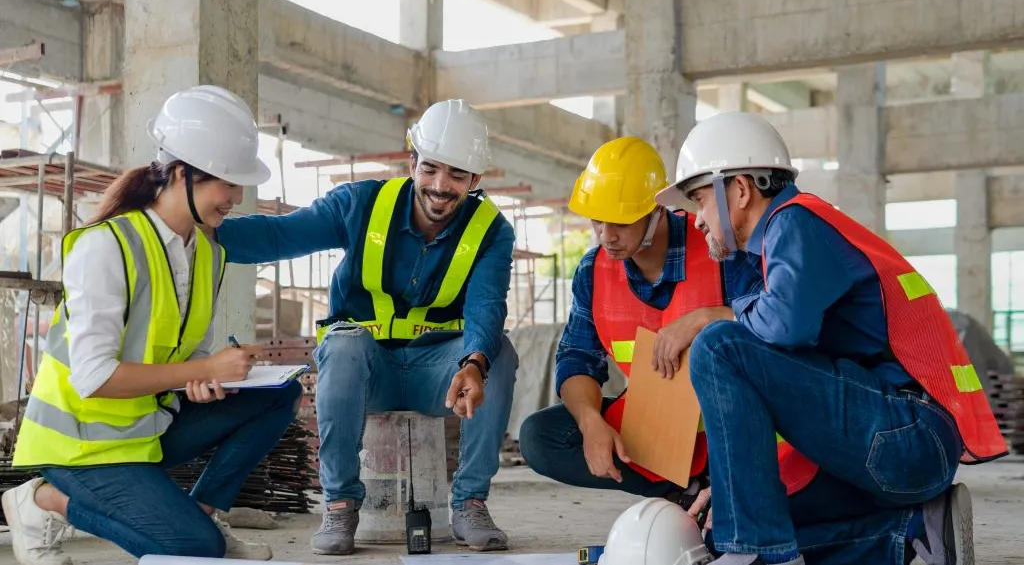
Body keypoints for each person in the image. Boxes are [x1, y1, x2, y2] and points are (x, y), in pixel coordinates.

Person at [653, 110, 1006, 565]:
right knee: (744, 522)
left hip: (908, 435)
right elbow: (798, 382)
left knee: (718, 344)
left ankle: (753, 553)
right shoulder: (786, 241)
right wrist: (733, 492)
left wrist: (709, 316)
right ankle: (912, 529)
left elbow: (785, 326)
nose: (697, 220)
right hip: (897, 444)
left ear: (739, 190)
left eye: (700, 200)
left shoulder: (794, 222)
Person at [1, 85, 302, 565]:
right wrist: (200, 371)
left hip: (146, 427)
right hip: (80, 444)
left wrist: (206, 378)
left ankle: (203, 515)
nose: (236, 197)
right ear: (182, 173)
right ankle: (43, 500)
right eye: (227, 182)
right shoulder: (106, 247)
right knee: (193, 552)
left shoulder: (208, 254)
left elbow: (187, 354)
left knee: (279, 394)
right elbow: (94, 377)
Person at [212, 98, 519, 555]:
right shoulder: (359, 205)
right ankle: (340, 506)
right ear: (412, 162)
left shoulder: (492, 232)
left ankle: (470, 503)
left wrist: (474, 362)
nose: (440, 186)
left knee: (500, 353)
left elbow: (487, 305)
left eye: (457, 175)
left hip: (438, 378)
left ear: (475, 180)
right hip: (365, 374)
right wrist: (197, 229)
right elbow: (280, 235)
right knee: (344, 344)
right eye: (430, 169)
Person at [517, 137, 761, 510]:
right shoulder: (593, 271)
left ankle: (728, 485)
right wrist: (590, 422)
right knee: (540, 435)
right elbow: (578, 357)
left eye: (621, 222)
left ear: (657, 209)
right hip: (658, 431)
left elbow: (772, 325)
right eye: (597, 221)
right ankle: (683, 493)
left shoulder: (718, 248)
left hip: (731, 425)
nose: (606, 235)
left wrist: (707, 318)